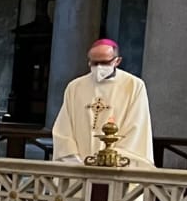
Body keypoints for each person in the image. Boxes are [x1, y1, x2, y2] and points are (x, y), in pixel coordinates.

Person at [51, 39, 153, 167]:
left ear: (117, 61)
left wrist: (112, 158)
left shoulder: (133, 86)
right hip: (78, 165)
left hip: (117, 165)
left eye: (104, 63)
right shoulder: (75, 87)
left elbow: (137, 127)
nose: (99, 67)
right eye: (94, 63)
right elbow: (64, 128)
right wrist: (74, 160)